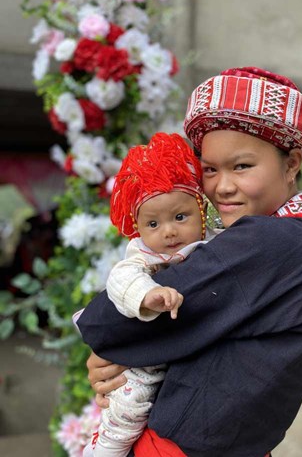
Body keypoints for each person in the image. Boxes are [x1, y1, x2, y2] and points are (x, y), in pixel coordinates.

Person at [78, 66, 302, 457]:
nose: (223, 186)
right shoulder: (295, 240)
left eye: (242, 166)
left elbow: (111, 323)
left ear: (293, 162)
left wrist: (108, 348)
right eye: (210, 170)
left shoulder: (273, 240)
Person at [81, 132, 217, 457]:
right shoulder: (144, 257)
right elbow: (121, 279)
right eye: (153, 224)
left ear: (201, 212)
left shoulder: (216, 245)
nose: (168, 231)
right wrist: (147, 295)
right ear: (138, 229)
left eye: (180, 217)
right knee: (129, 404)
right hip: (146, 362)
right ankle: (105, 450)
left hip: (187, 363)